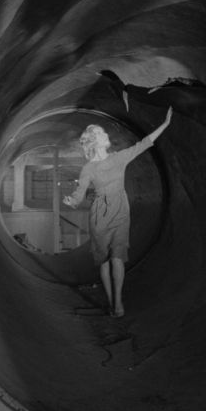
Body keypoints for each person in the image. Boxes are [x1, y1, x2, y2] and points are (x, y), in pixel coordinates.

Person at [63, 108, 173, 317]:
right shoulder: (88, 169)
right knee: (104, 260)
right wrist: (71, 201)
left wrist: (165, 125)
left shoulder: (119, 158)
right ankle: (112, 301)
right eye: (103, 134)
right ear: (95, 141)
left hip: (120, 212)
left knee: (118, 257)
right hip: (99, 215)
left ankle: (119, 302)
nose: (107, 136)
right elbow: (79, 195)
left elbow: (144, 144)